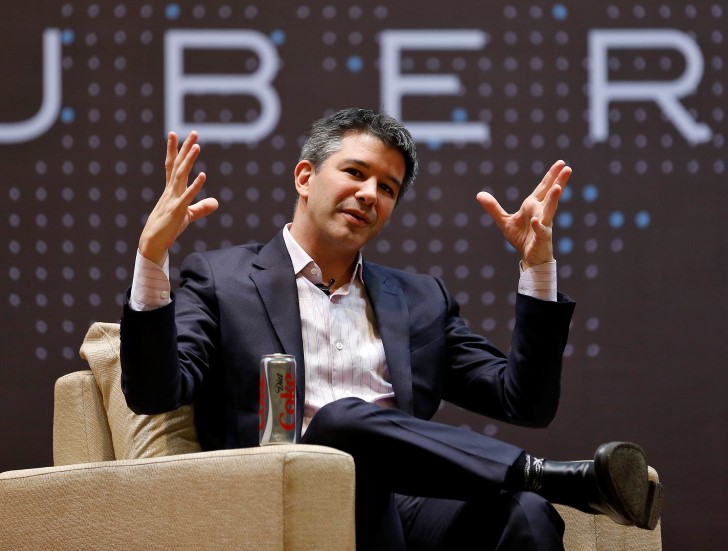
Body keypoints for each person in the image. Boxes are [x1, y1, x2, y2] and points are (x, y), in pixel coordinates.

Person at [120, 108, 663, 550]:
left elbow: (524, 402)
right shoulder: (222, 278)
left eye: (388, 188)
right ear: (306, 177)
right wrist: (152, 256)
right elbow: (154, 391)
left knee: (527, 514)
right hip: (288, 498)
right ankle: (550, 474)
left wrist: (537, 268)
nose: (370, 195)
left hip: (405, 510)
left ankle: (537, 484)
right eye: (355, 173)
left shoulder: (421, 299)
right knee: (342, 419)